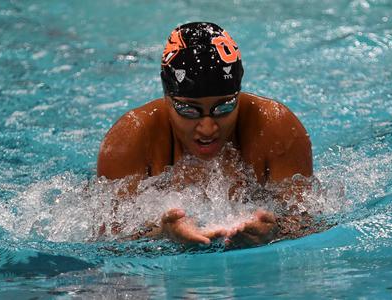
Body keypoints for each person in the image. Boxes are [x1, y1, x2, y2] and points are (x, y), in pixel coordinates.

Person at [97, 22, 313, 248]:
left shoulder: (277, 128)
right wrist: (162, 234)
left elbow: (308, 222)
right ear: (167, 96)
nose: (208, 128)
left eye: (224, 107)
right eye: (189, 110)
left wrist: (275, 231)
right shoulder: (129, 140)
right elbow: (108, 241)